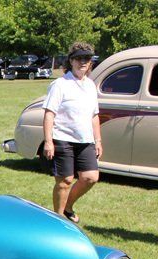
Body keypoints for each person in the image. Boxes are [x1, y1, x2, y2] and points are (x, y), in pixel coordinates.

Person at [42, 42, 102, 223]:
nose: (83, 62)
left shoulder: (90, 85)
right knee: (65, 181)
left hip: (85, 140)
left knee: (90, 177)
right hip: (62, 138)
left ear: (90, 62)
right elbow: (49, 114)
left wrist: (98, 140)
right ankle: (58, 220)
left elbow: (94, 115)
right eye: (79, 58)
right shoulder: (60, 84)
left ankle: (67, 206)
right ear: (71, 61)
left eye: (86, 58)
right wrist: (48, 141)